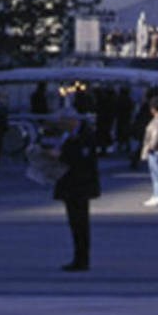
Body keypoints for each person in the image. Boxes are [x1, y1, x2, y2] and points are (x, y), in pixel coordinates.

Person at [52, 112, 99, 271]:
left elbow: (82, 159)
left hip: (79, 186)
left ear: (73, 121)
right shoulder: (70, 135)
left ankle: (82, 259)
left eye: (63, 122)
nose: (61, 126)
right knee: (75, 224)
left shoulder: (84, 136)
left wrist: (61, 156)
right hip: (72, 185)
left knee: (80, 224)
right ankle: (79, 257)